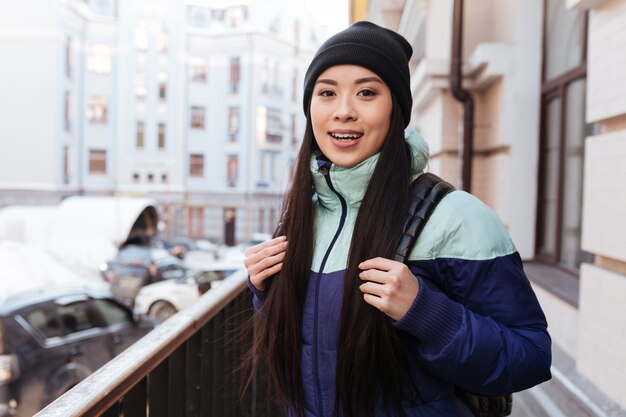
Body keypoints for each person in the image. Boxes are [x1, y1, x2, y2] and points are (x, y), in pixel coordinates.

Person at [244, 21, 551, 417]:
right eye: (326, 93)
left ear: (397, 109)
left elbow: (529, 357)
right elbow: (312, 348)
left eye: (367, 92)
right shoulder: (306, 212)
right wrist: (265, 290)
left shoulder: (457, 217)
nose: (343, 111)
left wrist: (426, 312)